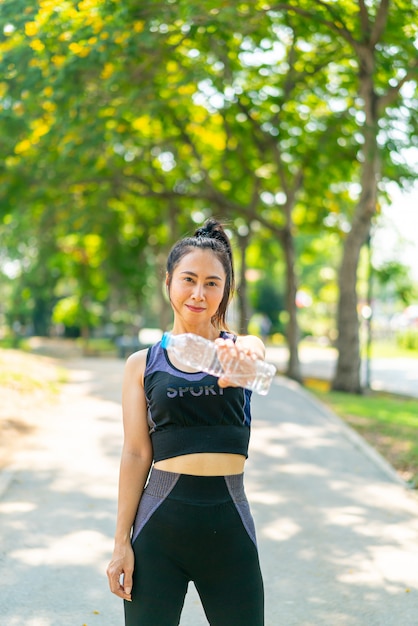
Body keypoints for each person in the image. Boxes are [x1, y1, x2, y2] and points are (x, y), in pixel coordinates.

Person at [106, 219, 265, 625]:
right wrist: (120, 543)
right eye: (188, 279)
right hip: (159, 530)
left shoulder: (237, 352)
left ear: (225, 291)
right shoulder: (141, 364)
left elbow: (253, 350)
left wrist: (245, 351)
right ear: (169, 282)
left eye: (212, 283)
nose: (199, 293)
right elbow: (136, 452)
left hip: (230, 530)